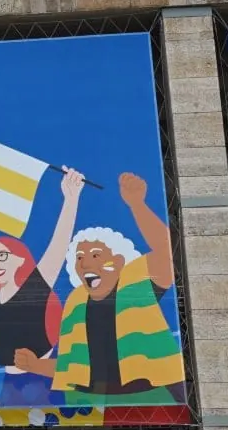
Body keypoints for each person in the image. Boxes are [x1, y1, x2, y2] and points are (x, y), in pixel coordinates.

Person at [51, 172, 185, 404]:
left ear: (119, 261)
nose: (85, 264)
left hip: (150, 397)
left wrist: (137, 205)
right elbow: (72, 364)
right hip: (87, 402)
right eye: (79, 257)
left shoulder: (137, 279)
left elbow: (168, 251)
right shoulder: (75, 301)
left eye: (96, 255)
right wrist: (32, 365)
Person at [0, 168, 82, 405]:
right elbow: (2, 349)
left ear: (20, 260)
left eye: (2, 256)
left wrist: (71, 199)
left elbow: (58, 245)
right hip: (9, 385)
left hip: (42, 380)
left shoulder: (33, 289)